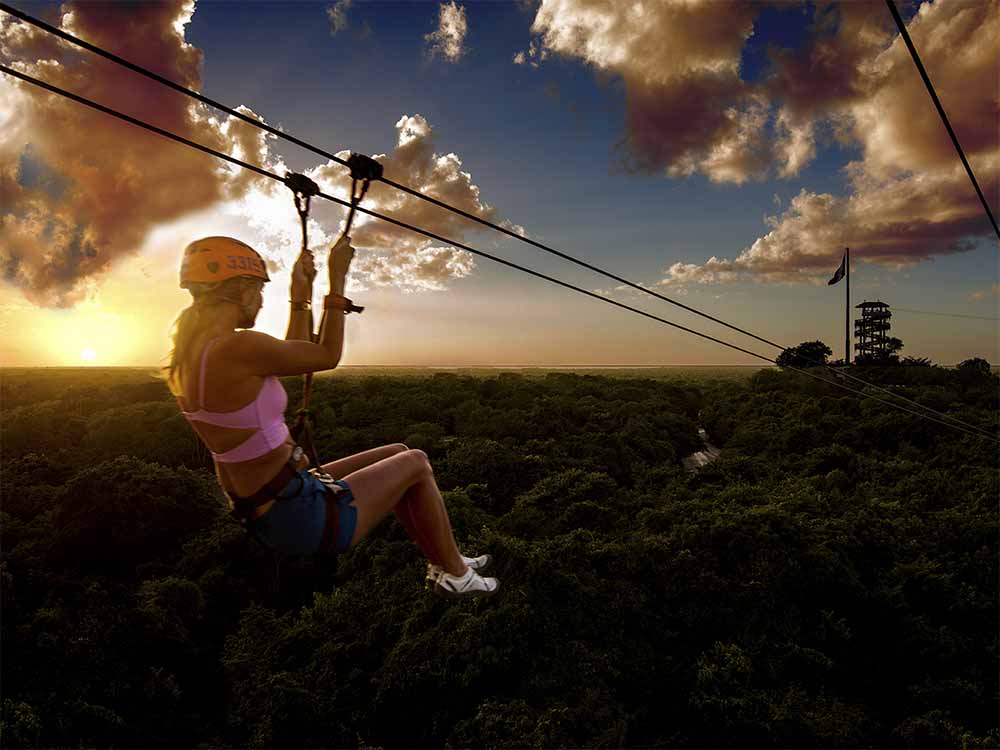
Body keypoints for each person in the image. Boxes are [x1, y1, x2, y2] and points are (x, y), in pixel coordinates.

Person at [163, 235, 498, 598]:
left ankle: (444, 558)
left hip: (272, 502)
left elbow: (294, 354)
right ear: (241, 290)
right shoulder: (236, 346)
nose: (260, 300)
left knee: (397, 451)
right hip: (296, 513)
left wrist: (299, 295)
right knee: (416, 462)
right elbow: (324, 356)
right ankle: (455, 574)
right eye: (259, 290)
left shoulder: (193, 356)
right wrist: (337, 279)